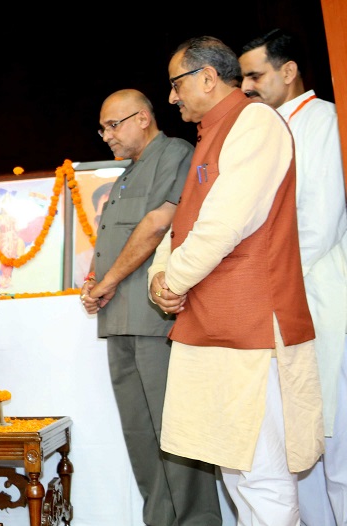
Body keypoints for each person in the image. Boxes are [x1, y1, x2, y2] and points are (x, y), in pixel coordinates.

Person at [149, 35, 324, 525]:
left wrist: (173, 279)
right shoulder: (211, 133)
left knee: (260, 474)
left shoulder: (254, 123)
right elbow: (184, 222)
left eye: (176, 84)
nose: (172, 97)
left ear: (207, 77)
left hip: (249, 327)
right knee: (236, 470)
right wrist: (160, 278)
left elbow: (224, 225)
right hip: (215, 327)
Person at [80, 89, 221, 525]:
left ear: (143, 118)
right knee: (141, 437)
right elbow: (115, 240)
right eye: (102, 127)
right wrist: (93, 279)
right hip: (119, 323)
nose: (106, 135)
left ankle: (197, 521)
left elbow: (159, 223)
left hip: (156, 320)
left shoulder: (174, 153)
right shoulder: (126, 174)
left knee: (176, 435)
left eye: (113, 124)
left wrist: (107, 281)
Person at [239, 28, 347, 526]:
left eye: (254, 75)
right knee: (296, 449)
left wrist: (258, 279)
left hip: (321, 298)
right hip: (281, 300)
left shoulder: (322, 120)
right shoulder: (266, 128)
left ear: (289, 71)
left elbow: (318, 225)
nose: (245, 88)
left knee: (334, 449)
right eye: (242, 77)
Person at [73, 181, 114, 288]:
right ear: (96, 224)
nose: (109, 223)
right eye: (102, 218)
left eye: (114, 216)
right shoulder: (80, 263)